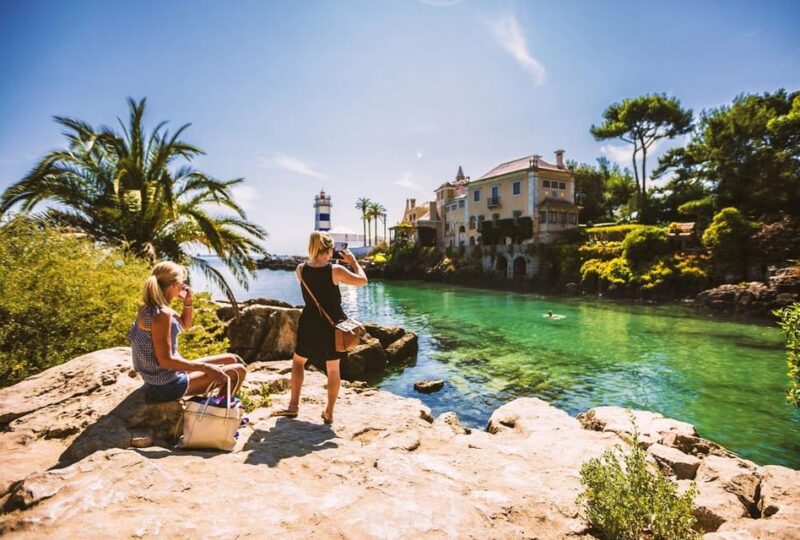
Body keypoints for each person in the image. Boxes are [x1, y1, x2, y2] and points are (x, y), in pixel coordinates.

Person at [272, 231, 368, 424]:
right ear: (329, 250)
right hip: (333, 325)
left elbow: (314, 285)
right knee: (333, 369)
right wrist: (354, 263)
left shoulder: (300, 269)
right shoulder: (335, 271)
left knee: (298, 362)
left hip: (309, 322)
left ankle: (293, 406)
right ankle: (329, 412)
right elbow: (363, 281)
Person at [129, 261, 247, 402]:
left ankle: (218, 402)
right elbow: (166, 361)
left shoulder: (151, 308)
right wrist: (205, 368)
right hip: (164, 386)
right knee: (238, 371)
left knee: (231, 359)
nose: (184, 285)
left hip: (160, 376)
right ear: (174, 284)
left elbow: (185, 325)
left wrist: (187, 302)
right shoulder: (162, 314)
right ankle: (218, 408)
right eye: (182, 281)